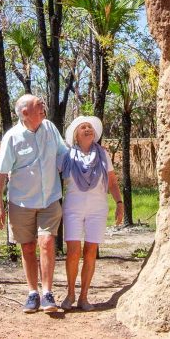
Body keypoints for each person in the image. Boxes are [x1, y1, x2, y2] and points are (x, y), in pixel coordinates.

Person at [0, 94, 68, 313]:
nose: (43, 106)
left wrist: (86, 160)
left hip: (50, 199)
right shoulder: (12, 137)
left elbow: (63, 154)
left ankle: (47, 293)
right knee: (27, 247)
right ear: (25, 113)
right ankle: (32, 293)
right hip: (21, 202)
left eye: (42, 103)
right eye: (38, 105)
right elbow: (0, 175)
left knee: (47, 242)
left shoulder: (50, 128)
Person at [58, 115, 124, 312]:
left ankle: (84, 297)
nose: (87, 129)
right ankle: (70, 294)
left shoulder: (103, 155)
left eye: (90, 127)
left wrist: (119, 203)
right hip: (73, 208)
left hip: (97, 209)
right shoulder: (66, 156)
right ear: (76, 135)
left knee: (90, 251)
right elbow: (51, 177)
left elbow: (112, 182)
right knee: (73, 252)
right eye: (83, 127)